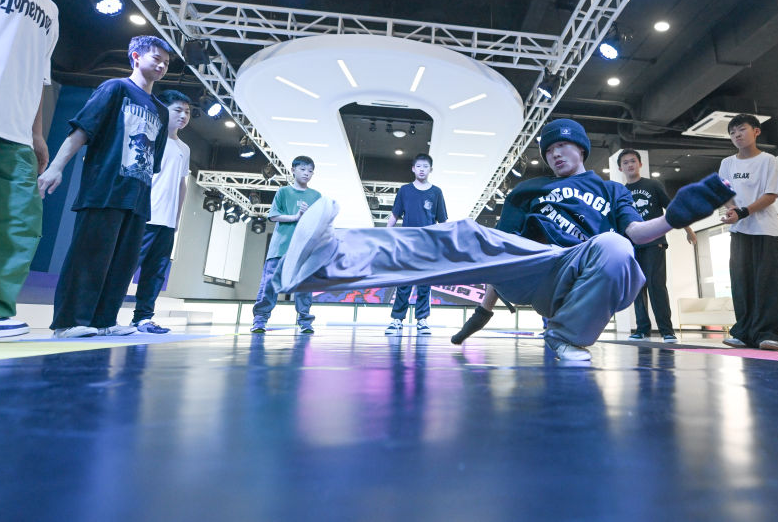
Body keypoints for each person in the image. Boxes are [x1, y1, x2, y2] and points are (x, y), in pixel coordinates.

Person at [280, 118, 735, 362]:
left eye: (562, 146)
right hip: (534, 267)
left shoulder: (612, 190)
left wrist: (673, 218)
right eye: (548, 150)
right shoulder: (528, 190)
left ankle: (568, 337)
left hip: (583, 270)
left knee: (617, 247)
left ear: (581, 149)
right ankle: (328, 259)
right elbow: (500, 250)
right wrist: (481, 313)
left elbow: (635, 234)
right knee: (466, 234)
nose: (554, 154)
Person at [39, 35, 171, 338]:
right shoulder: (115, 88)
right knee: (88, 258)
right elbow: (83, 129)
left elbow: (154, 160)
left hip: (138, 197)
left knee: (123, 264)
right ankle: (68, 322)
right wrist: (57, 166)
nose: (162, 65)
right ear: (136, 57)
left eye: (166, 62)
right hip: (105, 189)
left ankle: (104, 320)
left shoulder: (161, 111)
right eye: (156, 58)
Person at [0, 0, 81, 339]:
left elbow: (39, 77)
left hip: (16, 132)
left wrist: (39, 134)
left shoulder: (49, 8)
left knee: (18, 225)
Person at [717, 115, 778, 351]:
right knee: (741, 282)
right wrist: (732, 210)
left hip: (765, 230)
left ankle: (770, 334)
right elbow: (724, 193)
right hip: (739, 230)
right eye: (732, 132)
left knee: (767, 282)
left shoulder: (768, 160)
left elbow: (771, 194)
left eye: (741, 129)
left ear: (756, 131)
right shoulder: (727, 163)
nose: (737, 135)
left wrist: (743, 211)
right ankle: (743, 333)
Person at [128, 89, 192, 333]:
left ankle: (143, 318)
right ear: (163, 109)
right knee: (126, 267)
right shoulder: (148, 136)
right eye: (178, 110)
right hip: (144, 215)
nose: (183, 116)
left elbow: (182, 184)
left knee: (155, 273)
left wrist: (177, 219)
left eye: (187, 112)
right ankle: (104, 316)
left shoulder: (184, 148)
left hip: (167, 222)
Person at [617, 148, 696, 343]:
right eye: (625, 162)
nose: (629, 165)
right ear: (620, 168)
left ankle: (666, 331)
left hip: (655, 242)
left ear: (640, 164)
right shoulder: (620, 192)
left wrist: (688, 230)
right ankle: (642, 329)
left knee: (656, 286)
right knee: (636, 287)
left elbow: (672, 208)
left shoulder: (653, 185)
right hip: (631, 246)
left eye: (632, 161)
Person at [250, 155, 321, 334]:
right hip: (280, 248)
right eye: (303, 169)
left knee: (304, 288)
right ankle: (260, 321)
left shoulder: (316, 196)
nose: (306, 173)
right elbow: (274, 216)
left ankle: (305, 322)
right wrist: (296, 217)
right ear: (293, 170)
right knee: (269, 286)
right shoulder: (283, 192)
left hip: (304, 250)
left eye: (310, 171)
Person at [385, 153, 448, 336]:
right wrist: (385, 235)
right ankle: (397, 319)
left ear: (431, 170)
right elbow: (395, 215)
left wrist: (446, 243)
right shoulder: (405, 190)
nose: (422, 169)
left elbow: (442, 220)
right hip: (407, 245)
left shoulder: (436, 192)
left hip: (427, 245)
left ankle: (422, 320)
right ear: (413, 168)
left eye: (425, 166)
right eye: (418, 166)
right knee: (403, 283)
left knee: (425, 284)